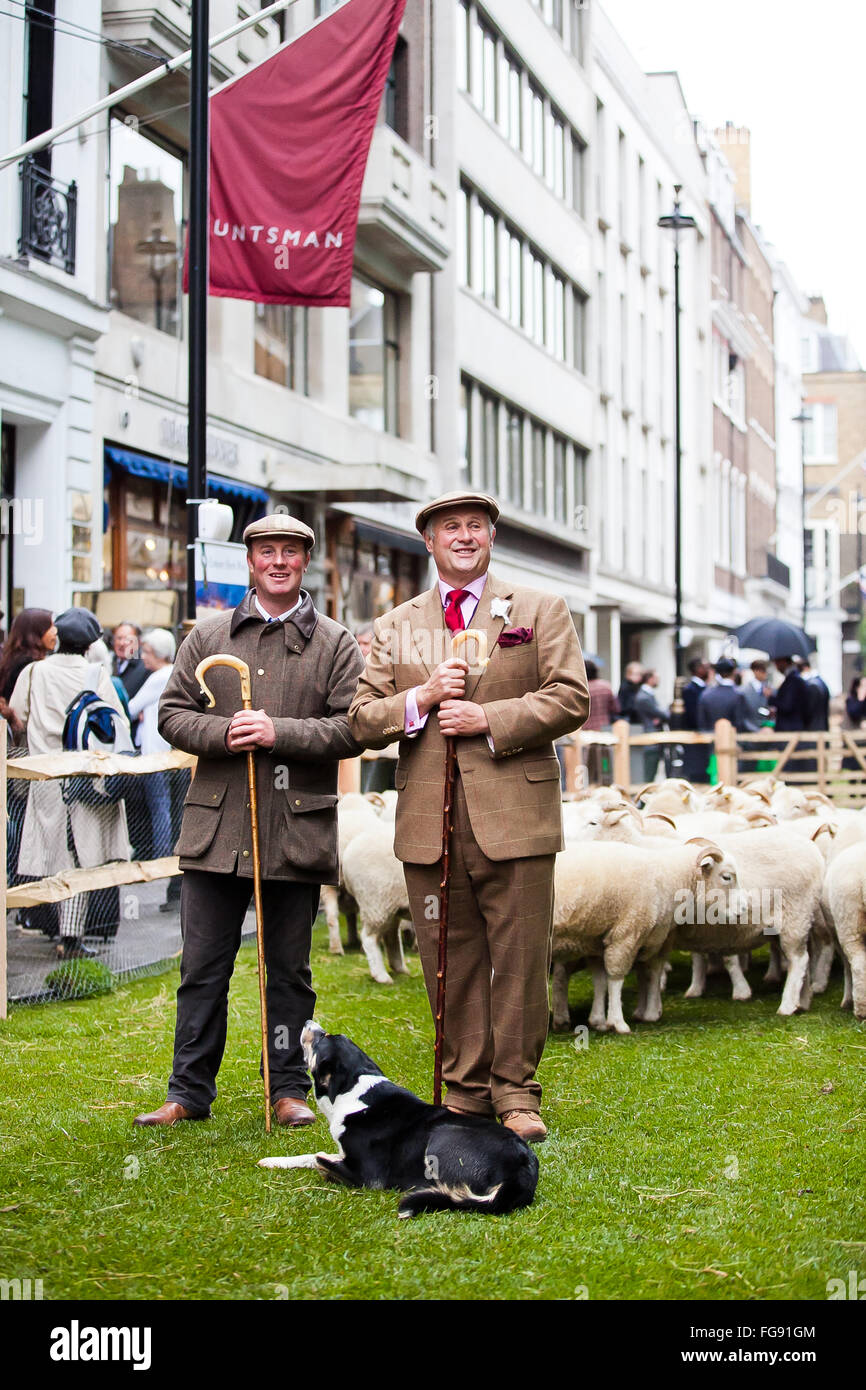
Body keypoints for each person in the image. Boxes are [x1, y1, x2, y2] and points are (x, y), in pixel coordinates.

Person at [348, 490, 589, 1143]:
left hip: (516, 813)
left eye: (475, 526)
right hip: (431, 819)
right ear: (428, 541)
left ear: (490, 537)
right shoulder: (398, 624)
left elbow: (571, 697)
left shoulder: (540, 610)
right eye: (449, 527)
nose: (463, 535)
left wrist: (490, 719)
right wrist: (420, 699)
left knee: (518, 955)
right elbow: (362, 719)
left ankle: (516, 1093)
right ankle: (465, 1090)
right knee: (446, 957)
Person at [133, 514, 365, 1129]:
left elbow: (351, 728)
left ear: (305, 561)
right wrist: (224, 733)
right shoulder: (208, 635)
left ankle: (286, 1090)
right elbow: (172, 714)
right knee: (202, 966)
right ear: (251, 560)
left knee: (287, 971)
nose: (279, 561)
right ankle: (188, 1093)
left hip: (296, 831)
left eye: (290, 551)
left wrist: (278, 732)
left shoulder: (337, 643)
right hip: (217, 831)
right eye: (267, 551)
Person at [8, 607, 131, 958]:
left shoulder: (34, 672)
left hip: (46, 777)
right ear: (91, 643)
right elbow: (116, 724)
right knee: (81, 858)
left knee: (54, 855)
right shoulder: (97, 674)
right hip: (86, 778)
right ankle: (71, 936)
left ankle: (56, 928)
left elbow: (18, 718)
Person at [0, 608, 56, 734]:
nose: (55, 632)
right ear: (35, 632)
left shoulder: (12, 659)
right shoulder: (29, 666)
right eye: (50, 627)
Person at [582, 659, 619, 785]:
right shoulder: (605, 686)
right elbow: (616, 708)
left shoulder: (582, 688)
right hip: (603, 731)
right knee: (604, 760)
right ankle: (605, 782)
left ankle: (589, 784)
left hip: (585, 731)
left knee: (587, 763)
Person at [697, 659, 754, 734]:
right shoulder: (738, 695)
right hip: (731, 742)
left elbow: (701, 723)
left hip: (710, 741)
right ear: (734, 672)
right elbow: (741, 724)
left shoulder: (705, 695)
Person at [634, 668, 670, 783]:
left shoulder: (647, 695)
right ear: (650, 679)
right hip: (649, 738)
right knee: (649, 773)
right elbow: (660, 713)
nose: (658, 681)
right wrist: (664, 715)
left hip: (653, 737)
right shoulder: (644, 697)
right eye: (656, 678)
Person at [681, 656, 712, 782]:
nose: (708, 670)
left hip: (704, 736)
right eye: (705, 667)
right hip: (695, 735)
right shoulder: (690, 690)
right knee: (697, 772)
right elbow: (693, 714)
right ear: (698, 669)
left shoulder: (705, 688)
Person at [769, 656, 811, 732]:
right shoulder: (795, 679)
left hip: (789, 729)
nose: (776, 666)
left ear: (783, 662)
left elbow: (786, 706)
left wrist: (771, 698)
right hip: (794, 726)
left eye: (777, 663)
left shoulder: (792, 681)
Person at [111, 622, 148, 700]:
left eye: (128, 639)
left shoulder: (145, 667)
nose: (122, 643)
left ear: (138, 642)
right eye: (119, 638)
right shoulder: (108, 662)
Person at [843, 675, 866, 773]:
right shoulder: (851, 700)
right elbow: (854, 713)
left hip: (863, 741)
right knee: (854, 770)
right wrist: (862, 699)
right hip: (853, 740)